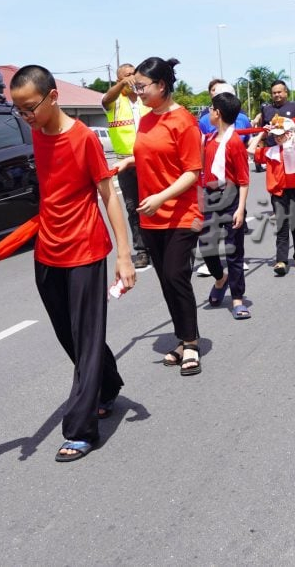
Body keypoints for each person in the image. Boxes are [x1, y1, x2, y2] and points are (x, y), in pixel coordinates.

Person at [9, 65, 133, 462]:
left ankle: (80, 428)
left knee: (87, 336)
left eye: (29, 108)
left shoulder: (83, 139)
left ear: (53, 97)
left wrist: (124, 255)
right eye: (18, 110)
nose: (25, 116)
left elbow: (108, 195)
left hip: (84, 250)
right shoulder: (35, 133)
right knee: (70, 336)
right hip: (47, 250)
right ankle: (108, 385)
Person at [117, 57, 204, 376]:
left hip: (181, 213)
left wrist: (161, 197)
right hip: (150, 215)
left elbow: (192, 172)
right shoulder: (146, 119)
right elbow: (149, 153)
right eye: (135, 86)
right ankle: (182, 338)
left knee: (176, 275)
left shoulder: (184, 122)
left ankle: (191, 343)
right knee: (166, 280)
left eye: (141, 86)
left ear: (162, 85)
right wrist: (129, 162)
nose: (137, 92)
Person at [199, 91, 251, 320]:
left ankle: (238, 298)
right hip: (210, 198)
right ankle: (221, 279)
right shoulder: (208, 140)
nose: (208, 112)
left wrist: (240, 209)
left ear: (218, 113)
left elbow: (244, 180)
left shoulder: (235, 143)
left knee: (234, 251)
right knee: (206, 245)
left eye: (211, 109)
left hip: (230, 199)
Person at [101, 63, 150, 268]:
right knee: (133, 207)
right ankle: (142, 250)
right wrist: (122, 85)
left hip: (150, 161)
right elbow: (105, 99)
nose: (131, 78)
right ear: (118, 80)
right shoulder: (114, 102)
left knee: (155, 204)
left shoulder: (147, 98)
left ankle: (158, 245)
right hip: (126, 164)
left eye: (133, 74)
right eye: (126, 76)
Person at [251, 117, 295, 276]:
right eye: (276, 135)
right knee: (282, 227)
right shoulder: (271, 152)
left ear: (287, 133)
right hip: (278, 193)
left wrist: (294, 137)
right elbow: (250, 150)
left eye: (281, 134)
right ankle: (281, 261)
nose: (278, 137)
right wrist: (261, 133)